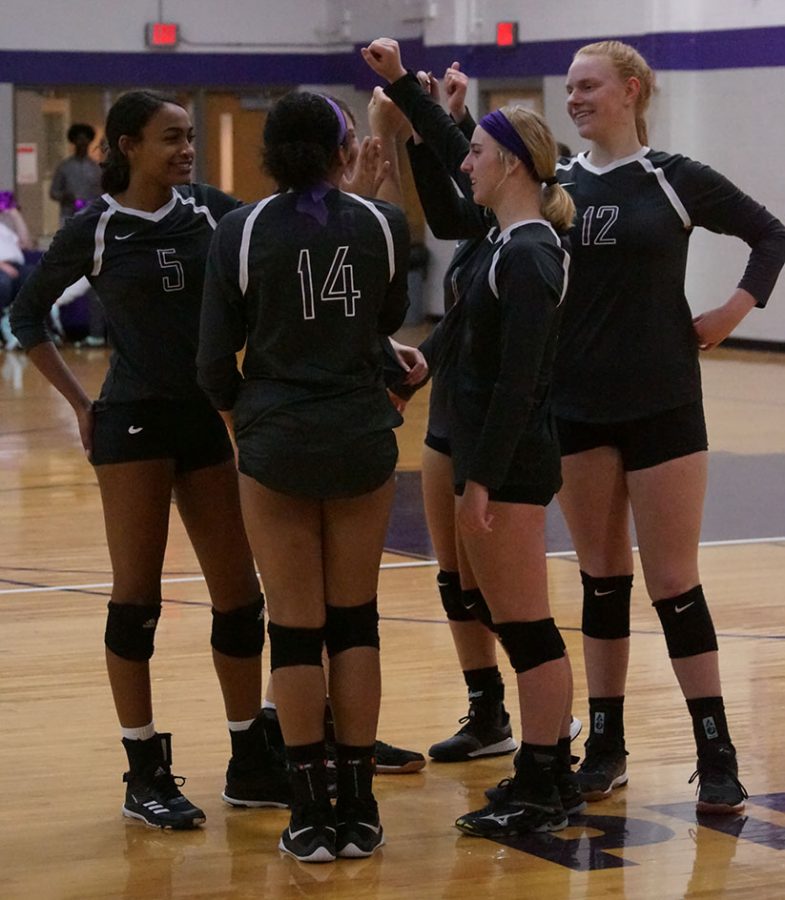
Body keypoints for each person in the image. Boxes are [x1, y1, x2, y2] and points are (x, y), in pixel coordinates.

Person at [10, 90, 289, 830]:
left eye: (190, 136)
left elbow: (282, 238)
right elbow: (23, 316)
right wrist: (79, 404)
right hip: (131, 424)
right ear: (126, 145)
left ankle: (249, 759)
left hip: (205, 420)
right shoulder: (96, 227)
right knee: (137, 603)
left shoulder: (210, 213)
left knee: (240, 598)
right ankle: (144, 771)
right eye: (171, 138)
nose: (186, 149)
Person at [555, 40, 785, 812]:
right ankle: (605, 743)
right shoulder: (553, 185)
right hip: (575, 406)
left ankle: (713, 751)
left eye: (587, 86)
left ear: (631, 90)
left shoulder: (674, 178)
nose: (574, 98)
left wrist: (730, 311)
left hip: (663, 404)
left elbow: (772, 234)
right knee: (600, 580)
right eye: (568, 87)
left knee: (672, 581)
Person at [363, 38, 578, 838]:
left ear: (514, 165)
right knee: (507, 615)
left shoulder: (530, 255)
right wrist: (424, 368)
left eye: (479, 153)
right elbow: (468, 330)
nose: (466, 164)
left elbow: (522, 383)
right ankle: (536, 770)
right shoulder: (501, 241)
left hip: (512, 464)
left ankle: (545, 777)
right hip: (494, 457)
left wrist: (482, 479)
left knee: (525, 625)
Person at [197, 90, 411, 861]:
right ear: (340, 147)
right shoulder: (384, 224)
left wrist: (243, 420)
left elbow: (212, 361)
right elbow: (385, 321)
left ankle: (309, 812)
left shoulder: (239, 229)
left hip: (276, 442)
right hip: (360, 436)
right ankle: (360, 808)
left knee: (292, 629)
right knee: (355, 622)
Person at [49, 122, 107, 346]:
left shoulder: (96, 168)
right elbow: (53, 192)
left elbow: (105, 193)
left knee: (94, 279)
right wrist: (66, 197)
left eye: (86, 139)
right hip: (69, 221)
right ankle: (54, 330)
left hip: (92, 225)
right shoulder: (64, 167)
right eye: (78, 139)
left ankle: (96, 334)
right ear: (73, 142)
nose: (82, 143)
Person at [0, 195, 35, 349]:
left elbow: (26, 244)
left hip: (17, 266)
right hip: (2, 267)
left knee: (36, 278)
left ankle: (33, 331)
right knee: (3, 283)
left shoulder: (4, 229)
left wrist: (15, 215)